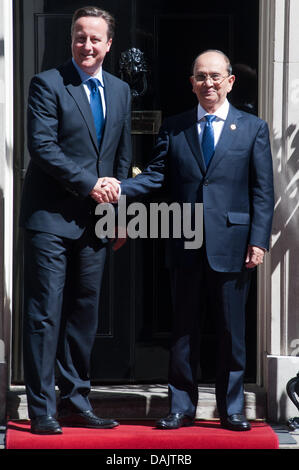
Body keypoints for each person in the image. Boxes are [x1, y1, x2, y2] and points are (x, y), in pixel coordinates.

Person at [118, 50, 274, 431]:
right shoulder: (174, 127)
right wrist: (120, 188)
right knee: (183, 330)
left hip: (234, 244)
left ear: (230, 81)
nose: (209, 83)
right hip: (184, 240)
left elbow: (263, 192)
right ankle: (181, 407)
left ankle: (232, 408)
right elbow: (156, 176)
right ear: (191, 83)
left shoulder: (253, 128)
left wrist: (259, 240)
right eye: (201, 77)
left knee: (230, 331)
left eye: (215, 76)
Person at [20, 6, 132, 434]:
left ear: (108, 44)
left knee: (84, 315)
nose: (87, 45)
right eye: (79, 37)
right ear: (71, 40)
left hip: (97, 222)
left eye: (95, 39)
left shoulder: (121, 91)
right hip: (49, 218)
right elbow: (44, 148)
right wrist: (89, 184)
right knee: (45, 314)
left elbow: (122, 158)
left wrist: (122, 215)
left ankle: (75, 401)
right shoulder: (47, 83)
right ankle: (42, 409)